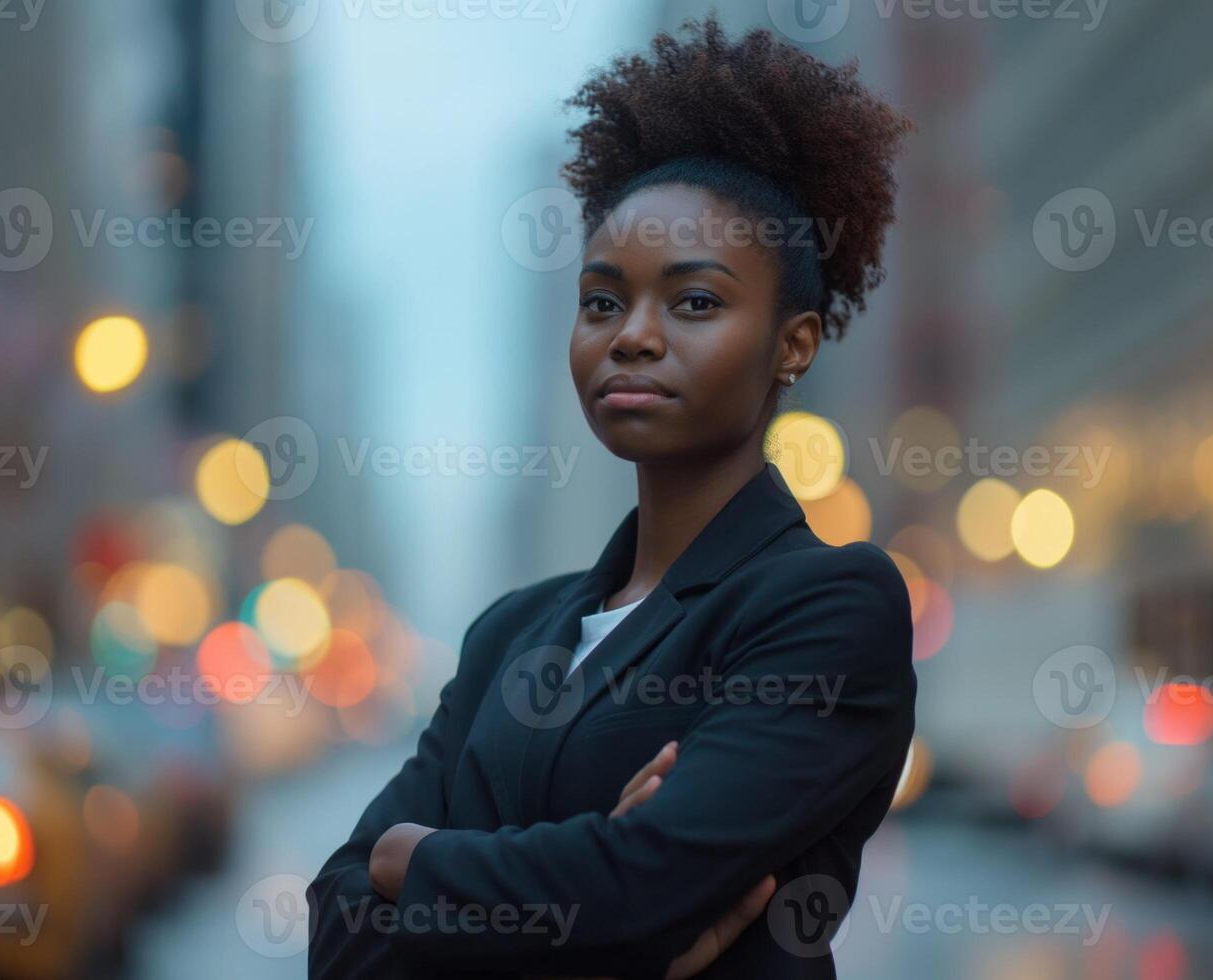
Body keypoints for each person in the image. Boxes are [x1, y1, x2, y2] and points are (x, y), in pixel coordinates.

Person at [308, 14, 916, 978]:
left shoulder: (828, 607)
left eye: (696, 302)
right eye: (602, 300)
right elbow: (336, 932)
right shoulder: (507, 635)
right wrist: (584, 903)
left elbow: (635, 890)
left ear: (793, 345)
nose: (631, 336)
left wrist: (409, 859)